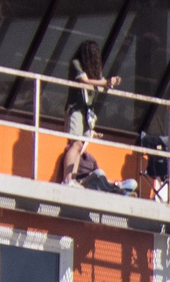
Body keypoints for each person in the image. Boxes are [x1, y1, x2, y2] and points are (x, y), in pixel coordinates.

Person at [58, 41, 119, 185]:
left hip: (87, 112)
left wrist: (111, 82)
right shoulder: (76, 64)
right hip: (76, 109)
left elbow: (101, 81)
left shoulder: (94, 70)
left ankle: (72, 178)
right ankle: (67, 179)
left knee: (80, 146)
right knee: (75, 143)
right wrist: (105, 83)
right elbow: (84, 81)